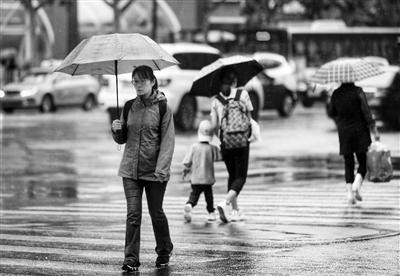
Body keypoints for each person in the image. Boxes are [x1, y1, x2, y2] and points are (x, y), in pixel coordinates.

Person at [111, 65, 174, 272]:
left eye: (142, 81)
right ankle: (131, 259)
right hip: (130, 170)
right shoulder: (129, 106)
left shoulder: (163, 108)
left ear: (153, 81)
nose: (138, 85)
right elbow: (122, 139)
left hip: (155, 171)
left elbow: (167, 141)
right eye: (135, 81)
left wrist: (162, 170)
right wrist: (116, 131)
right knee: (133, 214)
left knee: (156, 213)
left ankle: (164, 250)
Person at [210, 67, 254, 223]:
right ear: (235, 80)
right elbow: (249, 118)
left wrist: (217, 139)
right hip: (242, 141)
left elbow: (214, 125)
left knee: (232, 175)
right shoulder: (243, 94)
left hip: (226, 143)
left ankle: (235, 211)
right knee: (241, 177)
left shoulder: (215, 100)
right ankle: (226, 202)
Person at [328, 82, 380, 204]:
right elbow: (366, 112)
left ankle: (349, 194)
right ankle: (356, 185)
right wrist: (374, 130)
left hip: (344, 132)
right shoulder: (358, 91)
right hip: (360, 130)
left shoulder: (336, 93)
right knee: (363, 161)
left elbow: (331, 112)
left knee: (348, 162)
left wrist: (333, 98)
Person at [182, 120, 222, 223]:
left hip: (195, 178)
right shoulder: (212, 148)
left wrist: (185, 171)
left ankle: (190, 205)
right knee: (209, 197)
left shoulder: (194, 147)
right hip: (207, 179)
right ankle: (211, 213)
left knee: (194, 194)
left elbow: (187, 162)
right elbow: (220, 157)